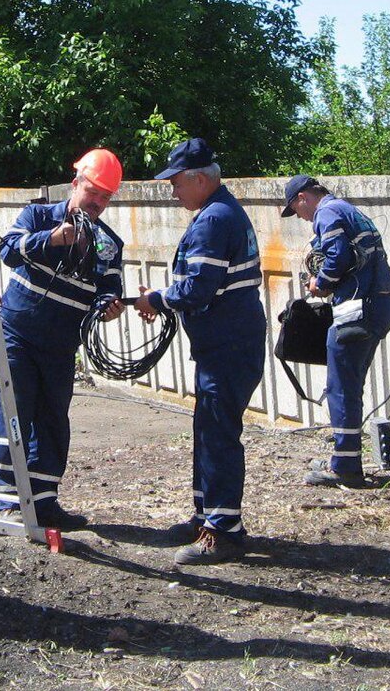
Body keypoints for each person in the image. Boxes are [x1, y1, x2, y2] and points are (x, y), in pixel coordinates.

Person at [134, 139, 265, 566]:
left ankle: (222, 532)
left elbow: (199, 287)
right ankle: (206, 518)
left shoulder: (213, 219)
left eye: (175, 183)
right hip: (225, 344)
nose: (173, 191)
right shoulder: (221, 212)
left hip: (227, 346)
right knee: (208, 430)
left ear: (200, 179)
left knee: (217, 434)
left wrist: (157, 299)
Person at [0, 149, 126, 531]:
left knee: (52, 421)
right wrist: (50, 239)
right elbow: (6, 251)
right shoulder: (37, 216)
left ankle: (45, 501)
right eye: (93, 191)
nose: (97, 202)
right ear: (76, 184)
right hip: (17, 335)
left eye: (105, 196)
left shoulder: (108, 244)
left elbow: (109, 288)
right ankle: (9, 499)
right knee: (14, 413)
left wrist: (108, 306)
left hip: (61, 345)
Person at [280, 174, 390, 488]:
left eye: (295, 208)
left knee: (340, 387)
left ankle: (345, 467)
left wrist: (321, 283)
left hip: (358, 308)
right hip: (379, 305)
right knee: (350, 383)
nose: (300, 217)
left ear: (304, 197)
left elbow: (337, 257)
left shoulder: (328, 212)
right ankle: (345, 459)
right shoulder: (348, 209)